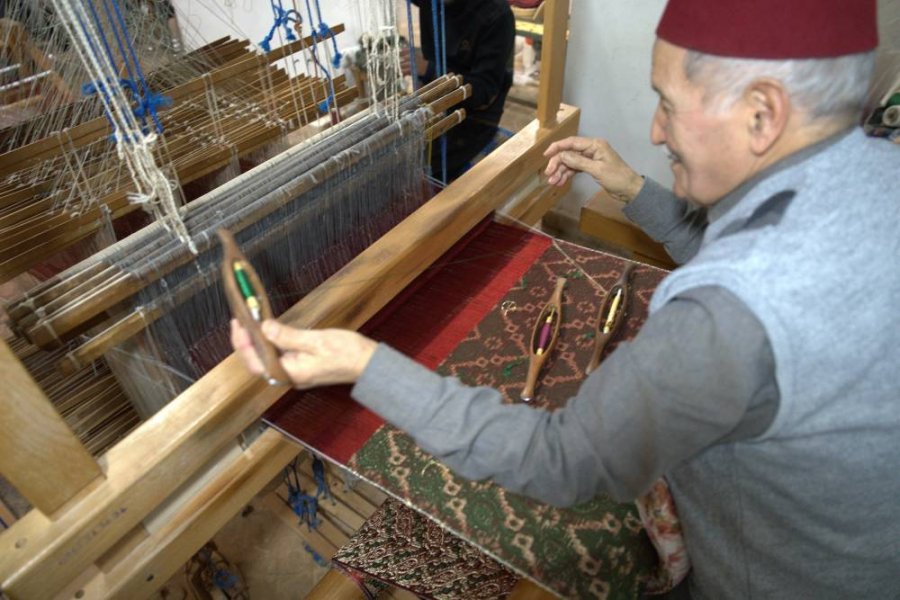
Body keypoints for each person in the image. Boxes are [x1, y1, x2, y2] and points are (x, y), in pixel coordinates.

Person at [232, 0, 900, 597]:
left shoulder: (727, 312)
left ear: (762, 114)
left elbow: (563, 462)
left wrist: (364, 364)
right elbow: (763, 252)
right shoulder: (878, 173)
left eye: (667, 104)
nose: (656, 131)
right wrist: (630, 186)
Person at [408, 0, 515, 180]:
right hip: (434, 106)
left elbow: (484, 91)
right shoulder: (432, 3)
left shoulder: (497, 15)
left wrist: (430, 69)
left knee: (421, 165)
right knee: (394, 152)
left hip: (475, 119)